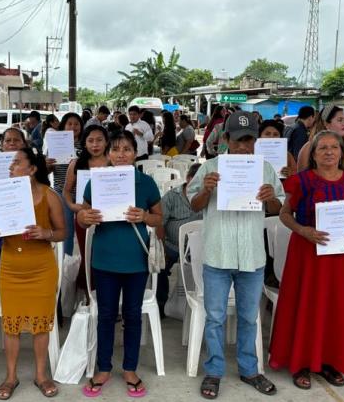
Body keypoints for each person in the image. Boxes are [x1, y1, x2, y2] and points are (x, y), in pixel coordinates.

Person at [188, 112, 283, 399]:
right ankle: (214, 371)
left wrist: (271, 199)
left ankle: (249, 369)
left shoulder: (264, 169)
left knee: (248, 318)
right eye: (238, 140)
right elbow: (194, 205)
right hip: (218, 254)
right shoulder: (211, 168)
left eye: (249, 140)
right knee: (215, 318)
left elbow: (278, 209)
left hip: (252, 257)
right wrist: (206, 190)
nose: (244, 146)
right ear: (225, 140)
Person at [269, 131, 344, 390]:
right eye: (322, 148)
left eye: (334, 147)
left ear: (341, 152)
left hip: (340, 256)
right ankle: (301, 362)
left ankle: (330, 362)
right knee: (306, 304)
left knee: (336, 307)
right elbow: (284, 214)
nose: (329, 152)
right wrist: (303, 230)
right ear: (313, 154)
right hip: (307, 253)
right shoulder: (301, 181)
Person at [78, 130, 163, 399]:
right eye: (115, 149)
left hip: (135, 260)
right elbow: (83, 216)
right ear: (108, 154)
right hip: (105, 258)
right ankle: (103, 367)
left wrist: (145, 215)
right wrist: (85, 217)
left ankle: (129, 368)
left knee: (132, 315)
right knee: (104, 315)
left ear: (135, 153)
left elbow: (159, 219)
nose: (121, 154)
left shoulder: (146, 183)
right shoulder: (96, 182)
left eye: (126, 149)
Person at [0, 147, 66, 400]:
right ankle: (10, 376)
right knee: (11, 325)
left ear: (32, 169)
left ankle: (41, 375)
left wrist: (46, 233)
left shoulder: (49, 196)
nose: (10, 167)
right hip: (10, 268)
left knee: (41, 325)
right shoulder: (2, 194)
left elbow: (62, 232)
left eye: (16, 163)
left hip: (41, 268)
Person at [63, 125, 110, 292]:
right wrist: (75, 207)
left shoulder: (113, 162)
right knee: (87, 255)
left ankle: (106, 292)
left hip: (109, 219)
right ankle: (88, 294)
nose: (95, 144)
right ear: (84, 143)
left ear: (106, 142)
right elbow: (66, 192)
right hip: (84, 219)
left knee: (106, 255)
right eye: (90, 140)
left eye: (99, 140)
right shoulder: (76, 164)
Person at [155, 163, 203, 315]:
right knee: (159, 267)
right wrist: (162, 249)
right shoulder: (171, 197)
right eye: (195, 181)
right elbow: (160, 223)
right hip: (172, 245)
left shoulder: (207, 197)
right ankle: (161, 303)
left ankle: (199, 302)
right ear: (188, 179)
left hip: (199, 247)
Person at [48, 112, 83, 257]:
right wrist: (48, 164)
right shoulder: (55, 145)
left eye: (76, 124)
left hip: (83, 192)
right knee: (67, 229)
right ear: (64, 125)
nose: (73, 126)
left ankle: (84, 263)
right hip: (62, 192)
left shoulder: (87, 144)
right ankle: (66, 261)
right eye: (69, 123)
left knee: (85, 229)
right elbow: (47, 170)